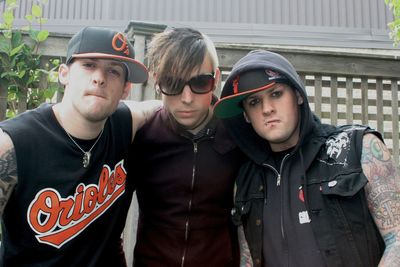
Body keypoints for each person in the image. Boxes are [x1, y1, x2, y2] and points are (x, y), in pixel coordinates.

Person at [213, 50, 400, 267]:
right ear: (245, 115)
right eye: (254, 102)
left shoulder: (358, 147)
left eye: (276, 94)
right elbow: (248, 260)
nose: (267, 109)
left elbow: (397, 237)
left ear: (298, 95)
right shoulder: (247, 177)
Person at [0, 26, 160, 267]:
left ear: (125, 90)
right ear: (64, 74)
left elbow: (161, 107)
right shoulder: (13, 143)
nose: (100, 78)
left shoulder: (125, 123)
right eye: (88, 65)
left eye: (114, 71)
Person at [128, 27, 243, 267]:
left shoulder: (238, 135)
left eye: (200, 82)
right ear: (156, 80)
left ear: (217, 78)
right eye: (173, 82)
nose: (187, 97)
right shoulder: (140, 136)